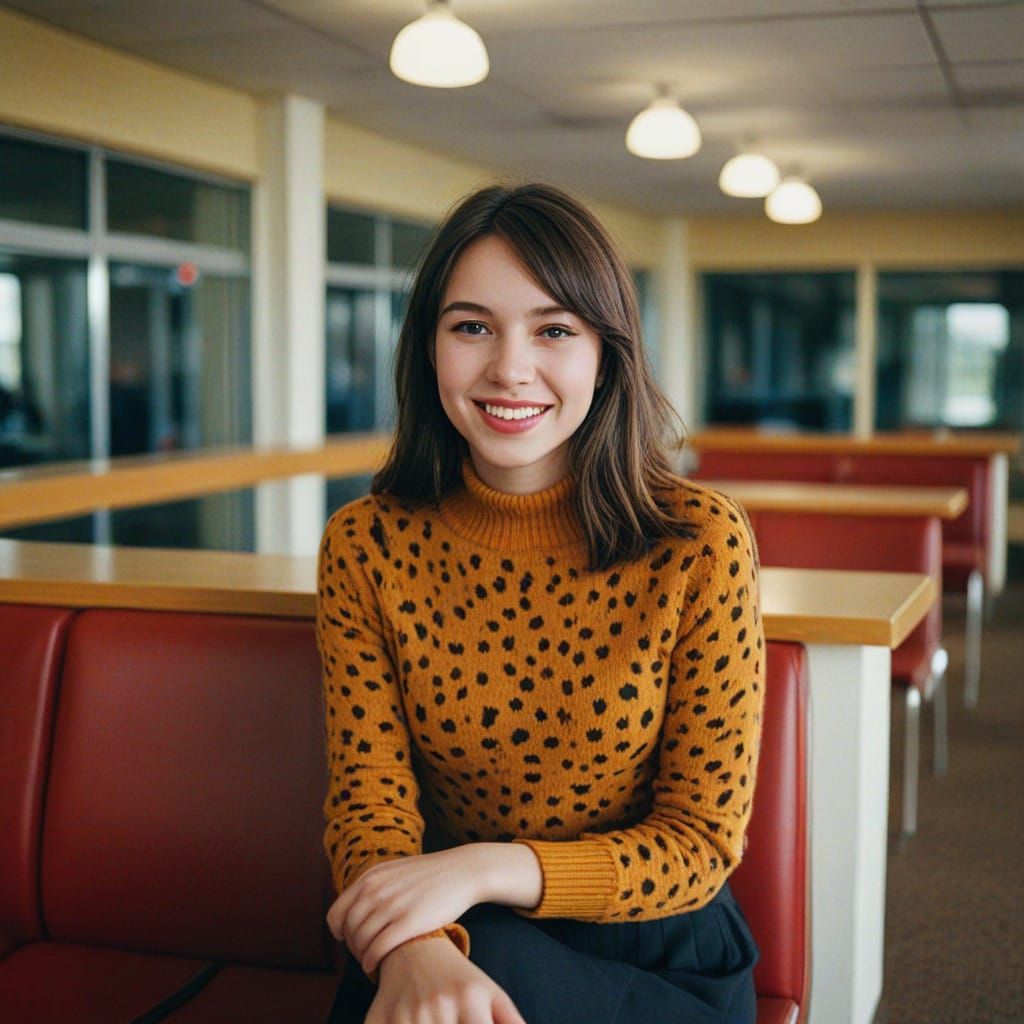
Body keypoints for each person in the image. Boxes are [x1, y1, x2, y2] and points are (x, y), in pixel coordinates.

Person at [316, 182, 764, 1024]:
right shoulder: (366, 545)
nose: (508, 367)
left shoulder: (699, 543)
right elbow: (367, 801)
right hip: (451, 924)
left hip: (656, 945)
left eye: (554, 329)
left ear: (606, 354)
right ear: (428, 348)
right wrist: (414, 949)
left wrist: (479, 868)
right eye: (472, 326)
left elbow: (700, 844)